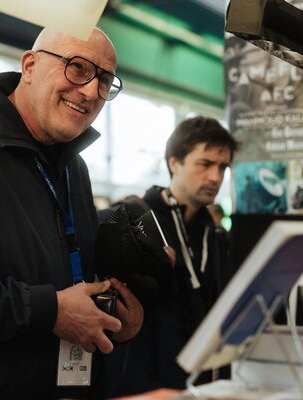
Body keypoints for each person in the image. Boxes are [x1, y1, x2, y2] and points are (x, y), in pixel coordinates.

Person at [0, 27, 143, 400]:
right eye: (77, 68)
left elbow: (75, 284)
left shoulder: (76, 169)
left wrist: (112, 319)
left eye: (104, 80)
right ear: (30, 65)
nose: (90, 90)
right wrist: (48, 309)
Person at [97, 116, 240, 398]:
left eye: (223, 167)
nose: (216, 177)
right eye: (205, 164)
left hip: (199, 385)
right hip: (139, 387)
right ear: (174, 162)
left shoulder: (215, 235)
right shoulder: (129, 222)